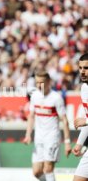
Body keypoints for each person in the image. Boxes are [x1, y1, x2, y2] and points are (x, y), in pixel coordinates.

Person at [23, 71, 71, 181]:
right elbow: (31, 116)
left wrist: (67, 142)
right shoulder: (34, 96)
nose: (39, 85)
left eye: (42, 82)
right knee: (36, 172)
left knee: (48, 169)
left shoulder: (56, 98)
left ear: (49, 82)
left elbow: (65, 120)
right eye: (37, 83)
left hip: (52, 137)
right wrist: (28, 134)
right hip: (39, 138)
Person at [72, 53, 88, 181]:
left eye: (86, 68)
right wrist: (79, 143)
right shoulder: (84, 88)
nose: (82, 71)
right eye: (80, 68)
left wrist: (86, 121)